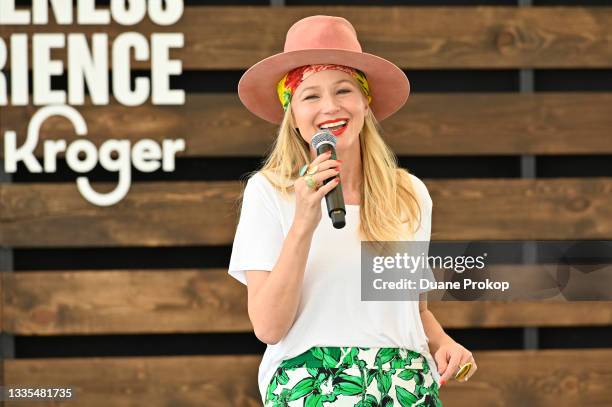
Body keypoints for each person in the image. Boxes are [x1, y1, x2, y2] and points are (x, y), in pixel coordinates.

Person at [228, 15, 476, 406]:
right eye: (310, 95)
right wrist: (303, 223)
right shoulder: (269, 192)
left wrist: (443, 342)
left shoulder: (409, 193)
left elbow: (411, 311)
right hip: (312, 382)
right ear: (292, 115)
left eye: (343, 90)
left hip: (404, 383)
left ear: (365, 102)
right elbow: (268, 327)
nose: (330, 107)